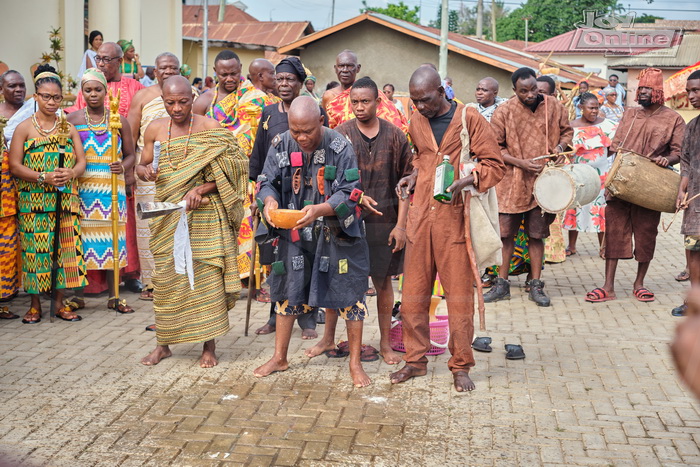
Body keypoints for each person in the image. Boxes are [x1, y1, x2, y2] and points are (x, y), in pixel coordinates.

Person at [389, 66, 504, 391]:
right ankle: (415, 361)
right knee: (412, 295)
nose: (420, 107)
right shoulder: (415, 119)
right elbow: (420, 157)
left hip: (456, 219)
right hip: (420, 218)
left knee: (458, 298)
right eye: (414, 101)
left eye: (425, 100)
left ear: (441, 91)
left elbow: (495, 164)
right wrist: (412, 177)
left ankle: (461, 365)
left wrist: (468, 179)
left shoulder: (469, 118)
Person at [254, 96, 372, 388]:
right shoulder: (281, 143)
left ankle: (355, 363)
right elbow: (265, 180)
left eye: (308, 131)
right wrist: (268, 200)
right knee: (286, 289)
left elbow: (351, 190)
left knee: (349, 292)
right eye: (296, 131)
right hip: (293, 232)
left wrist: (320, 209)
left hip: (337, 232)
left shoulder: (339, 146)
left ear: (321, 120)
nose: (302, 138)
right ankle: (280, 357)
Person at [137, 76, 248, 367]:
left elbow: (236, 169)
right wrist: (144, 171)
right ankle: (163, 344)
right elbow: (142, 163)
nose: (177, 108)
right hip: (168, 215)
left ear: (193, 97)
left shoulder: (211, 128)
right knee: (166, 278)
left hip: (205, 214)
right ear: (162, 100)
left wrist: (202, 188)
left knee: (206, 278)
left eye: (183, 102)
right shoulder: (155, 129)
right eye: (169, 102)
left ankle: (209, 346)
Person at [315, 77, 412, 365]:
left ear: (378, 102)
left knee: (383, 284)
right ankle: (328, 339)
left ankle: (385, 344)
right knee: (338, 280)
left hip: (385, 223)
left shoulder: (396, 136)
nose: (359, 107)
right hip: (346, 223)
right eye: (354, 102)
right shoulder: (339, 135)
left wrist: (402, 226)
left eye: (365, 101)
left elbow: (408, 185)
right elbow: (327, 182)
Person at [585, 68, 685, 303]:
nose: (640, 93)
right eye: (639, 89)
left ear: (658, 92)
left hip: (650, 186)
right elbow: (615, 145)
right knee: (614, 233)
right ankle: (607, 286)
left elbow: (678, 153)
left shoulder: (673, 119)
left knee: (646, 234)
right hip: (621, 182)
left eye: (646, 89)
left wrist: (666, 159)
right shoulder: (629, 114)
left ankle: (639, 283)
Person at [250, 57, 328, 338]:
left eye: (289, 79)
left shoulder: (315, 111)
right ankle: (276, 314)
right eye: (279, 79)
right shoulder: (269, 113)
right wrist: (257, 195)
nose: (283, 84)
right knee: (276, 256)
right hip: (277, 197)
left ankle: (307, 316)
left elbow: (323, 150)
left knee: (307, 254)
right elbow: (259, 158)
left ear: (300, 82)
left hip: (308, 195)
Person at [485, 67, 573, 308]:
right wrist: (520, 163)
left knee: (537, 235)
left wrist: (559, 148)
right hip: (512, 183)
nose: (531, 94)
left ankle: (535, 283)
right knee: (506, 235)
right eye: (524, 91)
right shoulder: (503, 111)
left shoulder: (554, 106)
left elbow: (567, 132)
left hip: (545, 181)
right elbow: (495, 148)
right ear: (514, 91)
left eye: (533, 88)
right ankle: (501, 284)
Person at [8, 65, 87, 323]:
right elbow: (15, 166)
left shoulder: (68, 128)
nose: (51, 102)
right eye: (46, 96)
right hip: (34, 202)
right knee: (35, 253)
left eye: (56, 97)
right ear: (35, 97)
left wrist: (71, 174)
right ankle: (34, 306)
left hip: (65, 201)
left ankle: (59, 304)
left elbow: (81, 162)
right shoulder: (24, 128)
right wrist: (43, 177)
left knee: (64, 252)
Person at [66, 68, 136, 314]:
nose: (93, 94)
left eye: (98, 90)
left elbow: (131, 155)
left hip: (111, 189)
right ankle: (77, 295)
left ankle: (114, 296)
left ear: (106, 92)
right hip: (83, 189)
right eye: (88, 90)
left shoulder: (118, 119)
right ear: (82, 93)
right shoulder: (72, 120)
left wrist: (123, 165)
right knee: (80, 242)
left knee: (112, 241)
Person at [127, 52, 182, 304]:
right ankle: (151, 281)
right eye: (163, 68)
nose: (168, 71)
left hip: (180, 170)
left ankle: (175, 279)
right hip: (146, 168)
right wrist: (133, 167)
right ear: (155, 71)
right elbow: (130, 132)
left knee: (176, 225)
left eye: (173, 67)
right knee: (148, 227)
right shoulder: (143, 96)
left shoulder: (184, 95)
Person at [563, 92, 617, 257]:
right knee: (575, 207)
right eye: (591, 108)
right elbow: (565, 149)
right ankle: (571, 246)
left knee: (600, 209)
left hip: (600, 176)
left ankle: (603, 247)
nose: (594, 111)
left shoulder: (607, 125)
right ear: (580, 108)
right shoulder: (571, 126)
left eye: (597, 108)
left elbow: (613, 149)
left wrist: (599, 161)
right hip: (578, 176)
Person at [672, 70, 700, 316]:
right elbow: (687, 162)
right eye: (689, 91)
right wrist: (682, 190)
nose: (691, 96)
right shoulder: (691, 126)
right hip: (695, 202)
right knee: (692, 249)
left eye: (696, 90)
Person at [325, 50, 406, 132]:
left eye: (350, 66)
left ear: (358, 68)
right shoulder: (329, 96)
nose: (345, 70)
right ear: (335, 69)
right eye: (341, 66)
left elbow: (393, 123)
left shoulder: (373, 94)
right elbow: (327, 129)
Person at [0, 71, 26, 319]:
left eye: (21, 85)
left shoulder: (32, 114)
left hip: (19, 190)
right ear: (1, 89)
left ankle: (5, 300)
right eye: (12, 85)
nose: (18, 89)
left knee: (9, 248)